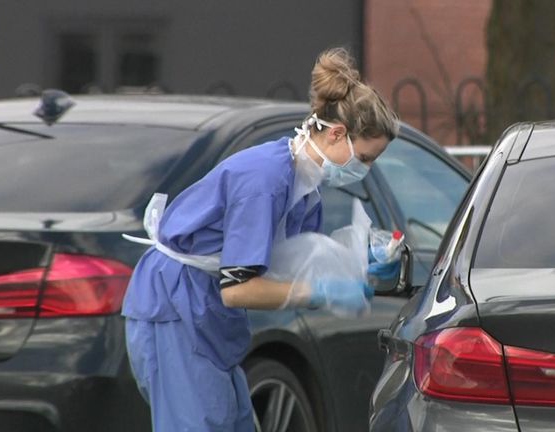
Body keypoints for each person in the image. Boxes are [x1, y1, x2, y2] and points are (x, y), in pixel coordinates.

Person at [121, 47, 400, 432]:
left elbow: (288, 261)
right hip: (176, 307)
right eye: (366, 157)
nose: (365, 169)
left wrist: (357, 264)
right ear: (338, 134)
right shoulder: (266, 181)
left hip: (206, 317)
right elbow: (238, 289)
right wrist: (318, 291)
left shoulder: (304, 191)